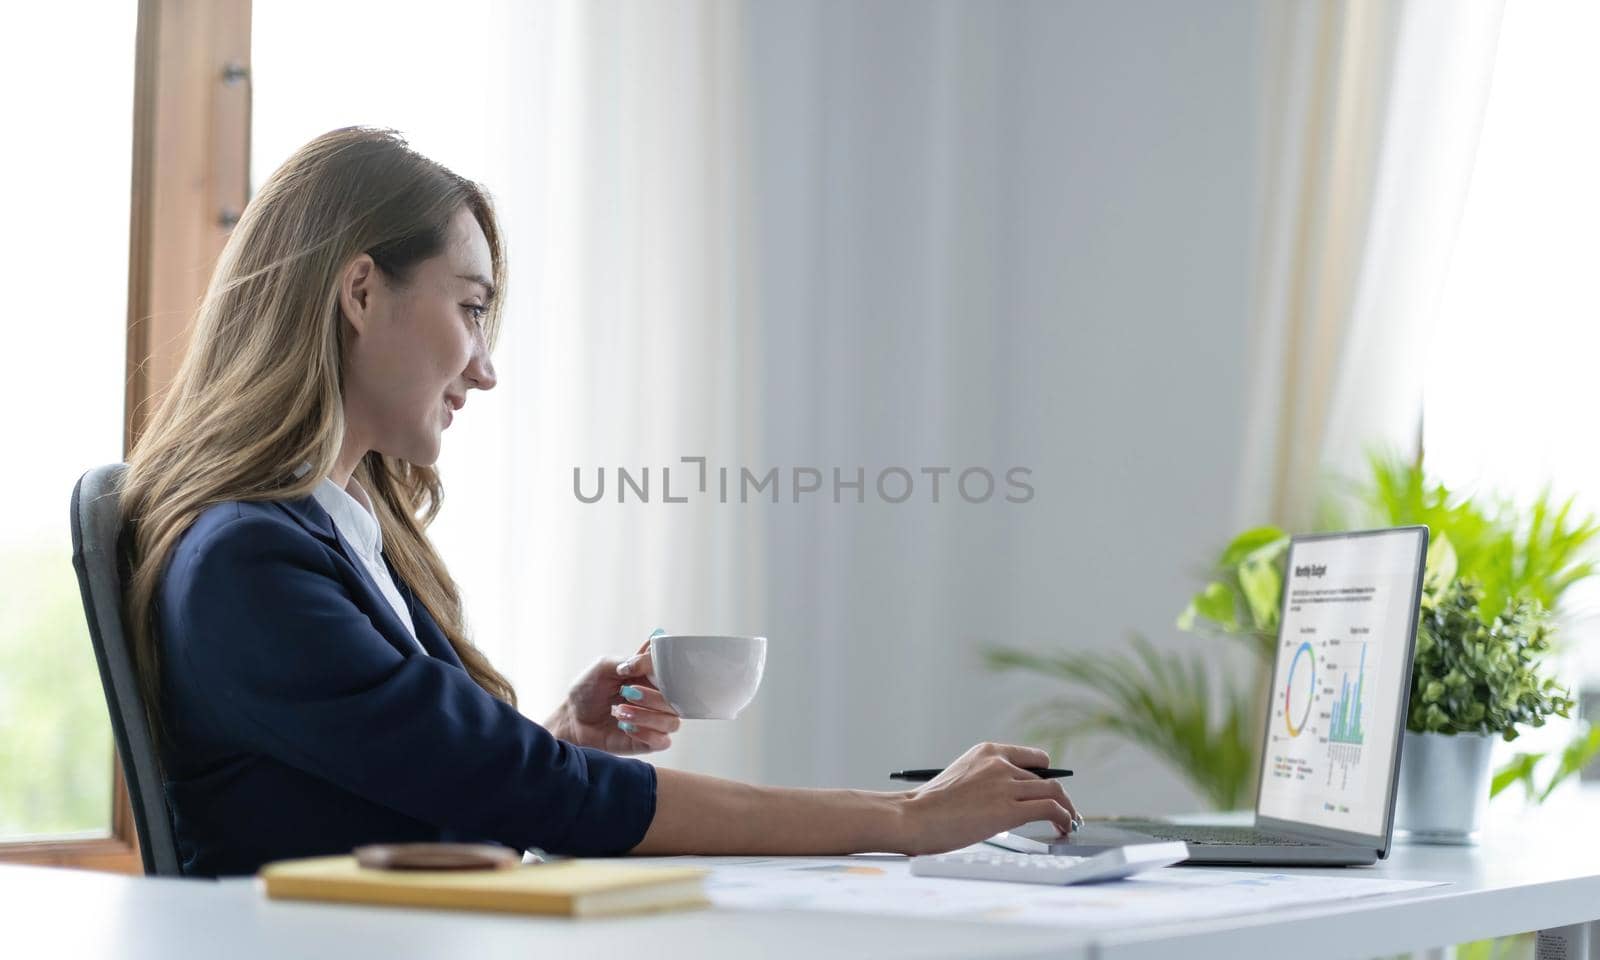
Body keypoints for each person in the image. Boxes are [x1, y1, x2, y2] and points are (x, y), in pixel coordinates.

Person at [119, 126, 1080, 877]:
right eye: (470, 308)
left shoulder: (339, 535)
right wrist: (908, 820)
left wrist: (558, 744)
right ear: (362, 292)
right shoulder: (250, 561)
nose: (485, 370)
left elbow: (422, 786)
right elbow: (544, 798)